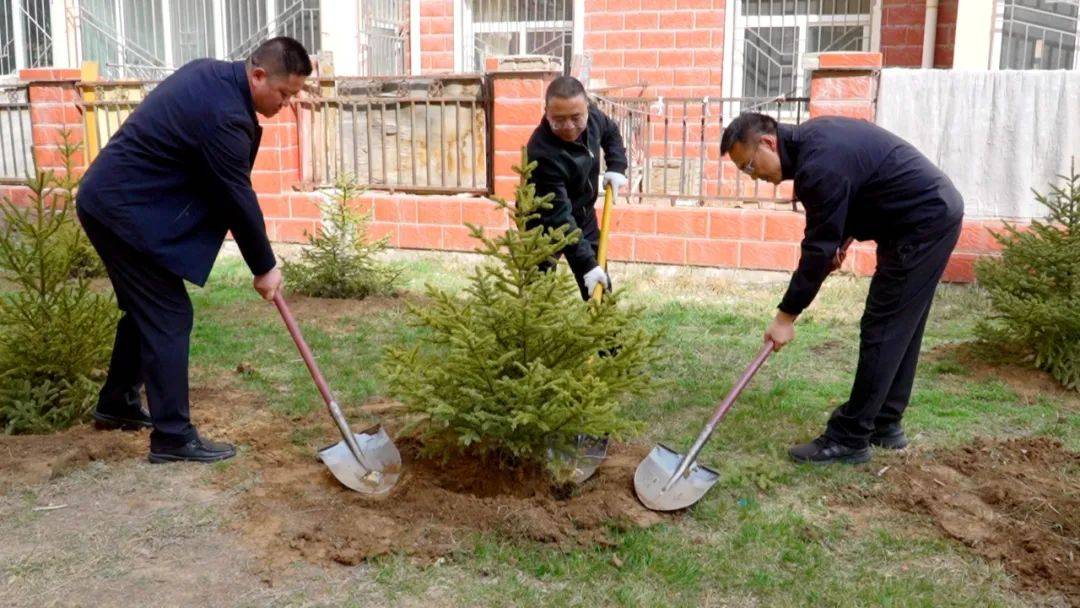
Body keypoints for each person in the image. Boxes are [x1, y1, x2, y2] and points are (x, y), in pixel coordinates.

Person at [76, 37, 312, 463]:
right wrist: (265, 266)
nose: (287, 104)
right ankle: (172, 437)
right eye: (284, 93)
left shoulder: (213, 76)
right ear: (258, 75)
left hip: (121, 201)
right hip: (119, 209)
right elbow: (235, 195)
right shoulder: (222, 114)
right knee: (168, 314)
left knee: (145, 308)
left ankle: (117, 402)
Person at [720, 113, 964, 464]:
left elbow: (816, 250)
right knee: (901, 326)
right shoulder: (815, 143)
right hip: (928, 214)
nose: (752, 175)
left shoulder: (817, 165)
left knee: (884, 327)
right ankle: (884, 422)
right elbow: (855, 189)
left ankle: (850, 437)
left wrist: (785, 316)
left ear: (768, 143)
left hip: (921, 222)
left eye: (749, 165)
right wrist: (842, 240)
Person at [526, 75, 628, 301]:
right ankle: (538, 335)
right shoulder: (541, 152)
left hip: (582, 212)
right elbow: (560, 220)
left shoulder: (594, 119)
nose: (569, 126)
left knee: (599, 282)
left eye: (576, 117)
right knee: (538, 291)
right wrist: (586, 265)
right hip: (544, 222)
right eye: (558, 119)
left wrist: (617, 166)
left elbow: (610, 132)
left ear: (587, 109)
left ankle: (603, 332)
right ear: (546, 112)